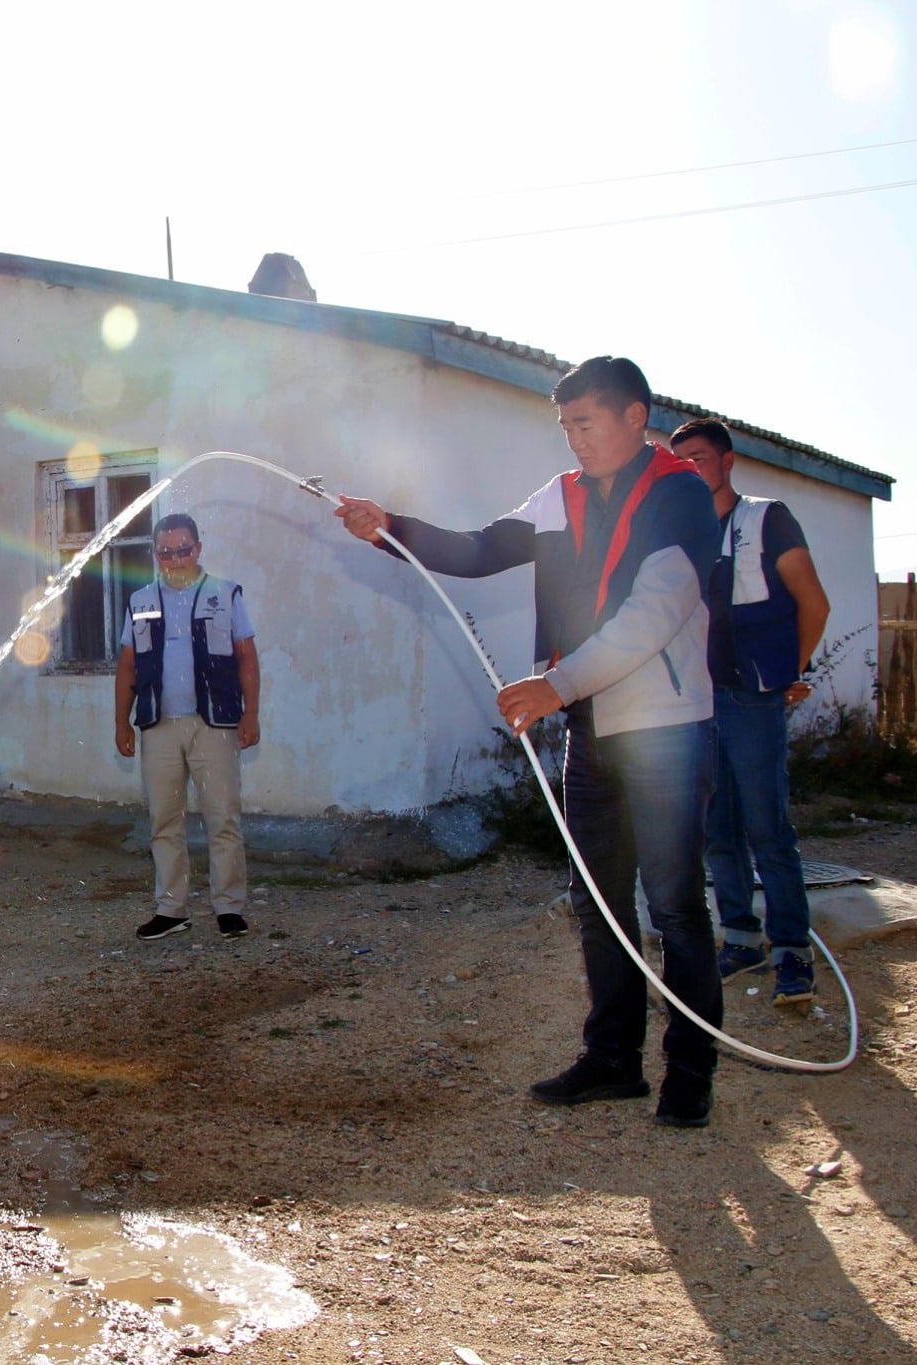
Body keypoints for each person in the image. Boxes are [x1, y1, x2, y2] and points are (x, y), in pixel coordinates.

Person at [335, 356, 725, 1127]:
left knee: (675, 905)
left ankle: (691, 1069)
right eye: (565, 426)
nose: (574, 440)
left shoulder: (680, 494)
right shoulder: (561, 498)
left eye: (586, 422)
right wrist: (391, 530)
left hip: (665, 729)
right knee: (598, 900)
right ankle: (613, 1060)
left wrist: (558, 683)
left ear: (634, 417)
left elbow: (658, 611)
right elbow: (480, 549)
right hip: (590, 727)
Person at [669, 418, 832, 1007]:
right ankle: (740, 937)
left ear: (727, 461)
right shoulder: (680, 531)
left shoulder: (766, 517)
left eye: (700, 458)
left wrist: (791, 670)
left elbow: (813, 602)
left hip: (751, 698)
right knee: (716, 829)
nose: (690, 468)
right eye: (679, 460)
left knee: (768, 827)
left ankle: (792, 950)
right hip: (694, 700)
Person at [114, 513, 261, 941]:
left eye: (183, 549)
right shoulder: (140, 600)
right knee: (164, 819)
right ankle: (171, 909)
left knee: (222, 817)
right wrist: (120, 721)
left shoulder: (224, 594)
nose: (174, 557)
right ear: (155, 554)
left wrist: (250, 714)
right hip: (158, 726)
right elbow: (127, 667)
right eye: (165, 551)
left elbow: (246, 658)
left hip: (213, 724)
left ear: (198, 549)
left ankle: (229, 908)